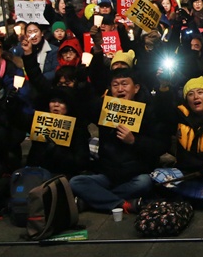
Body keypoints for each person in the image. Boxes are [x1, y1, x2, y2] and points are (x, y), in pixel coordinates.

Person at [69, 68, 171, 213]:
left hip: (135, 175)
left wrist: (134, 141)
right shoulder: (104, 109)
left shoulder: (148, 111)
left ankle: (93, 200)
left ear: (136, 88)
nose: (120, 89)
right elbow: (84, 106)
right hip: (108, 174)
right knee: (76, 182)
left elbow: (161, 145)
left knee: (144, 182)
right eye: (115, 85)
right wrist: (83, 84)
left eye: (124, 84)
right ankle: (121, 203)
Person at [151, 77, 203, 209]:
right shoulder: (180, 115)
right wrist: (164, 89)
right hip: (185, 172)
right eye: (190, 94)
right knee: (157, 176)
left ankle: (184, 197)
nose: (195, 97)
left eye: (200, 92)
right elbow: (163, 112)